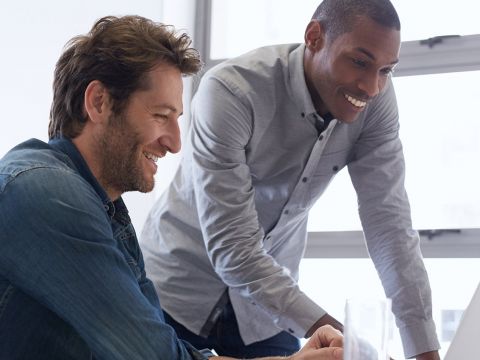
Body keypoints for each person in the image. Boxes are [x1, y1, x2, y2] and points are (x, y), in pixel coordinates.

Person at [0, 15, 344, 360]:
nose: (175, 143)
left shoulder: (104, 208)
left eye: (177, 119)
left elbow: (170, 352)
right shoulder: (47, 194)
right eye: (161, 116)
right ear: (99, 102)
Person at [140, 0, 441, 359]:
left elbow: (390, 227)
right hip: (176, 296)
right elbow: (234, 250)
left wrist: (425, 354)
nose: (371, 86)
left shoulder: (374, 103)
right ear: (314, 37)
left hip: (266, 316)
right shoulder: (231, 91)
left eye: (386, 70)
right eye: (359, 62)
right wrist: (353, 349)